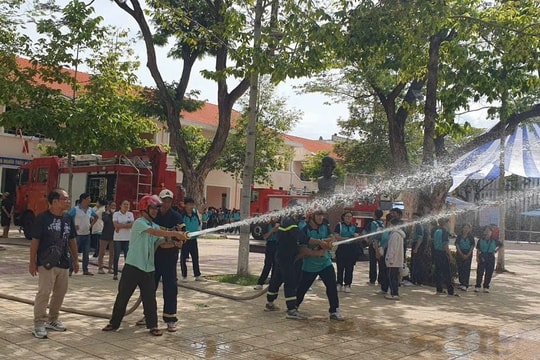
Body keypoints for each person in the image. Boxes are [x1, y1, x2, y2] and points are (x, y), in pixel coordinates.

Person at [102, 195, 187, 336]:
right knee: (123, 296)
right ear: (144, 209)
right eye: (152, 208)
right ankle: (114, 323)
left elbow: (161, 242)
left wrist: (175, 243)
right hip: (133, 267)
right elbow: (155, 233)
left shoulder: (154, 225)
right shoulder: (139, 223)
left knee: (150, 300)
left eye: (156, 208)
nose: (155, 211)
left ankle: (152, 326)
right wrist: (175, 233)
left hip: (148, 268)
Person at [29, 188, 79, 339]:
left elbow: (72, 240)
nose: (68, 201)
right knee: (44, 292)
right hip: (46, 262)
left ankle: (53, 319)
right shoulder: (42, 218)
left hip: (63, 261)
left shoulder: (67, 218)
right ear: (54, 201)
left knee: (60, 292)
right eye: (65, 199)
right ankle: (39, 323)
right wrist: (32, 262)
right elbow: (35, 241)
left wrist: (76, 260)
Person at [142, 188, 184, 332]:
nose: (166, 204)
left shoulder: (176, 217)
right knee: (149, 288)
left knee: (170, 287)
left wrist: (179, 241)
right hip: (153, 257)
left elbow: (181, 235)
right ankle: (148, 315)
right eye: (163, 201)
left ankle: (170, 318)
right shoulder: (153, 216)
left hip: (170, 258)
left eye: (169, 201)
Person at [296, 209, 344, 321]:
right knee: (302, 288)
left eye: (322, 215)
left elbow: (332, 238)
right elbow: (303, 250)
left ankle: (334, 310)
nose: (321, 217)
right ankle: (294, 306)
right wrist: (317, 251)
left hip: (325, 263)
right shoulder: (305, 230)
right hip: (310, 266)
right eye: (318, 215)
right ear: (311, 216)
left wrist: (327, 243)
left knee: (332, 286)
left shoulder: (324, 226)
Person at [68, 193, 97, 276]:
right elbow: (68, 218)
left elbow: (96, 217)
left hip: (87, 234)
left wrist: (91, 225)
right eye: (88, 199)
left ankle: (85, 270)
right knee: (74, 252)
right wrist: (73, 226)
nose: (90, 200)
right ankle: (70, 270)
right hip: (77, 235)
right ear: (83, 200)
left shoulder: (90, 210)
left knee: (86, 253)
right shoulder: (75, 209)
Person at [334, 211, 361, 293]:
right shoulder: (339, 226)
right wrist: (346, 239)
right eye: (347, 216)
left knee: (349, 268)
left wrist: (356, 237)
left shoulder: (354, 226)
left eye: (350, 216)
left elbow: (357, 237)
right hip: (342, 248)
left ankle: (348, 284)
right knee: (340, 267)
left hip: (351, 249)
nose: (349, 218)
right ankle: (339, 283)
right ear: (343, 217)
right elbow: (336, 236)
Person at [180, 197, 205, 281]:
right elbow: (180, 226)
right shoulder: (182, 215)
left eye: (192, 204)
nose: (191, 206)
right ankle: (184, 276)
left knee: (195, 257)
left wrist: (198, 231)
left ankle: (197, 275)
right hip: (185, 240)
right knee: (183, 258)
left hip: (193, 239)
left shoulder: (195, 214)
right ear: (185, 205)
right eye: (189, 204)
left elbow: (198, 224)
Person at [254, 214, 280, 290]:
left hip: (278, 246)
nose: (276, 218)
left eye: (278, 216)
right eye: (275, 216)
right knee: (268, 264)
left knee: (276, 265)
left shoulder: (282, 226)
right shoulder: (267, 226)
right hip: (270, 245)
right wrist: (272, 230)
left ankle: (273, 283)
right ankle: (260, 283)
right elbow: (264, 237)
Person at [432, 218, 457, 296]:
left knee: (438, 271)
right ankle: (450, 291)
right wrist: (450, 256)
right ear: (446, 223)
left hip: (436, 253)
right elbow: (445, 245)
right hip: (442, 253)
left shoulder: (437, 231)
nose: (449, 225)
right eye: (449, 223)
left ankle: (439, 289)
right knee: (447, 272)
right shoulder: (444, 232)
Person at [475, 226, 501, 293]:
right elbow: (478, 249)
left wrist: (495, 251)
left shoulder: (494, 240)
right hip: (482, 256)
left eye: (489, 231)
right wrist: (477, 257)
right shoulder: (480, 240)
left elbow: (501, 245)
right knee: (480, 272)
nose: (487, 232)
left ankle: (486, 286)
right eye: (486, 231)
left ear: (491, 232)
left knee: (489, 272)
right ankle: (477, 286)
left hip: (490, 256)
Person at [112, 200, 134, 280]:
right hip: (118, 238)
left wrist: (120, 226)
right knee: (116, 256)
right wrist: (125, 225)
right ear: (120, 205)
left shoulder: (130, 214)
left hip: (127, 238)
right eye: (124, 204)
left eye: (128, 204)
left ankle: (127, 273)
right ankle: (115, 273)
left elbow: (131, 225)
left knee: (127, 257)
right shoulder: (116, 214)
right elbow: (115, 225)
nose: (126, 206)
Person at [385, 218, 405, 300]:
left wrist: (390, 258)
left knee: (391, 277)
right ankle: (394, 292)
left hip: (393, 260)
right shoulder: (400, 235)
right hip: (398, 260)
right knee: (395, 277)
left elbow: (392, 248)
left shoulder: (394, 235)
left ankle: (394, 293)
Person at [455, 223, 475, 291]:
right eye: (465, 228)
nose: (466, 229)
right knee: (460, 268)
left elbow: (472, 246)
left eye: (467, 228)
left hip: (468, 253)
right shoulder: (459, 236)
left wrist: (467, 255)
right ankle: (461, 283)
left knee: (466, 268)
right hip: (460, 253)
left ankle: (465, 284)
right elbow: (457, 245)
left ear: (469, 229)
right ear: (462, 228)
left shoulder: (471, 237)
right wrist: (461, 253)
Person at [98, 201, 115, 274]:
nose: (113, 207)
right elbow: (105, 220)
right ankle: (100, 268)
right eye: (112, 205)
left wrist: (113, 214)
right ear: (108, 206)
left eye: (115, 205)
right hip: (104, 235)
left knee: (112, 253)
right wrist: (108, 213)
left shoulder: (116, 214)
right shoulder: (104, 213)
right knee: (102, 252)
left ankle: (110, 268)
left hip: (113, 236)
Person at [368, 210, 385, 285]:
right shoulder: (383, 223)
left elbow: (373, 234)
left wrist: (370, 242)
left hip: (374, 244)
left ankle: (372, 279)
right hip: (381, 244)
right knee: (381, 263)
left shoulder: (373, 223)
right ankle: (381, 279)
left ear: (374, 215)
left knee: (373, 262)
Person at [410, 213, 426, 286]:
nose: (413, 219)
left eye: (415, 218)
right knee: (414, 262)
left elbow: (420, 238)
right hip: (415, 244)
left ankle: (416, 280)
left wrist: (416, 248)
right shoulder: (415, 226)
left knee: (416, 262)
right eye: (413, 218)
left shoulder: (419, 226)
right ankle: (414, 279)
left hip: (417, 245)